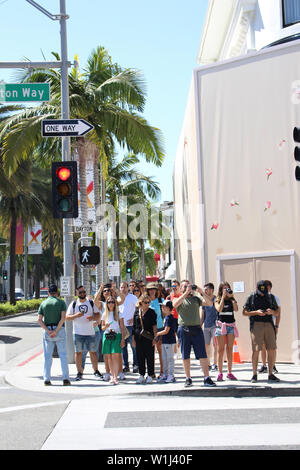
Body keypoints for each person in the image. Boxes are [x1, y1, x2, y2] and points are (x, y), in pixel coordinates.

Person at [172, 281, 216, 387]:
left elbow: (210, 303)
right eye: (185, 286)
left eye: (189, 286)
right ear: (181, 288)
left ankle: (206, 377)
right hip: (184, 329)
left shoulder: (196, 298)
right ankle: (188, 378)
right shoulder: (178, 298)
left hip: (196, 329)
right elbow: (174, 304)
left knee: (202, 354)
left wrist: (201, 292)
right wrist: (185, 293)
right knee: (185, 355)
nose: (188, 288)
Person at [243, 280, 280, 383]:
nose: (262, 293)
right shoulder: (251, 297)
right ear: (257, 288)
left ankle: (270, 373)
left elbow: (277, 312)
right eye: (260, 291)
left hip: (269, 324)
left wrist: (272, 312)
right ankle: (254, 374)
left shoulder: (271, 297)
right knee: (256, 350)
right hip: (256, 325)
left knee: (271, 349)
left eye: (264, 291)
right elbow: (244, 312)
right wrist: (256, 312)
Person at [66, 285, 102, 381]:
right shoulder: (74, 304)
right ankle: (79, 372)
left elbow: (98, 314)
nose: (83, 294)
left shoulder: (90, 302)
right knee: (78, 353)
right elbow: (67, 317)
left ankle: (96, 370)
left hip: (90, 332)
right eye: (80, 292)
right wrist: (76, 315)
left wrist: (93, 318)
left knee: (93, 352)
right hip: (77, 332)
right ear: (77, 294)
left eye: (84, 292)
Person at [37, 284, 70, 386]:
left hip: (48, 331)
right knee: (63, 355)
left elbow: (39, 320)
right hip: (59, 330)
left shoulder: (43, 303)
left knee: (48, 356)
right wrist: (56, 330)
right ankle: (65, 379)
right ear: (57, 293)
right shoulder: (61, 303)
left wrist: (48, 330)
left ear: (48, 293)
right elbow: (63, 318)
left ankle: (46, 379)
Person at [94, 283, 125, 381]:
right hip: (107, 332)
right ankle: (108, 372)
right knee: (107, 355)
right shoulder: (102, 304)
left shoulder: (115, 303)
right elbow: (95, 300)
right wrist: (100, 289)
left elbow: (123, 299)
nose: (107, 292)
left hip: (116, 332)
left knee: (117, 354)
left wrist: (116, 290)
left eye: (108, 290)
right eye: (105, 291)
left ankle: (119, 372)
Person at [214, 282, 239, 381]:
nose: (226, 290)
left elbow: (236, 309)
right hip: (221, 326)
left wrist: (232, 298)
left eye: (227, 288)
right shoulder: (217, 300)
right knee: (220, 350)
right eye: (224, 289)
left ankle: (229, 372)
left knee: (229, 349)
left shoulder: (231, 300)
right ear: (220, 290)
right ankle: (220, 373)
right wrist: (223, 297)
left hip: (230, 326)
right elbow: (219, 309)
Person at [132, 294, 157, 384]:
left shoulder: (152, 312)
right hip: (139, 338)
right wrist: (133, 338)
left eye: (148, 302)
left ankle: (150, 374)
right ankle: (141, 375)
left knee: (150, 356)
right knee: (140, 356)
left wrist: (155, 337)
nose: (147, 304)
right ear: (141, 302)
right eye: (145, 302)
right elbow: (134, 326)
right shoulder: (136, 312)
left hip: (149, 337)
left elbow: (154, 326)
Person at [101, 296, 126, 385]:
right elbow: (102, 327)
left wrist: (123, 339)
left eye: (112, 302)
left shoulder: (119, 313)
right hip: (107, 335)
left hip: (117, 334)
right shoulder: (105, 314)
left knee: (115, 355)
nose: (111, 304)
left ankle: (115, 377)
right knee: (109, 357)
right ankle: (112, 375)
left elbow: (122, 327)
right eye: (109, 302)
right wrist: (106, 326)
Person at [259, 280, 281, 374]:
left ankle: (273, 365)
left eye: (265, 287)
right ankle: (264, 365)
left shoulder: (274, 298)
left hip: (271, 325)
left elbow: (278, 313)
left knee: (272, 347)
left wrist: (276, 325)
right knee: (263, 346)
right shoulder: (258, 297)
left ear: (269, 287)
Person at [119, 281, 139, 373]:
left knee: (134, 346)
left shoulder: (132, 297)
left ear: (128, 288)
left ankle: (136, 365)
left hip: (131, 326)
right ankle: (125, 365)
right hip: (121, 327)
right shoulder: (118, 299)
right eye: (121, 287)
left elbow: (138, 307)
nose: (123, 289)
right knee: (123, 347)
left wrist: (133, 319)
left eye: (124, 287)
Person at [155, 300, 177, 383]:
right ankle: (165, 374)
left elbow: (166, 330)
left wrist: (157, 333)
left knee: (170, 359)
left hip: (169, 341)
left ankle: (171, 375)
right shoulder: (166, 317)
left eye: (163, 307)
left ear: (168, 308)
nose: (162, 308)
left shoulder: (169, 317)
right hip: (165, 341)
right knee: (164, 359)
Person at [146, 282, 164, 377]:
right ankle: (151, 372)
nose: (152, 291)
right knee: (150, 352)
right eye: (150, 289)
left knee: (160, 351)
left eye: (154, 289)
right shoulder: (145, 301)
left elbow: (165, 313)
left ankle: (162, 371)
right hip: (149, 329)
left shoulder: (161, 300)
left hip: (160, 328)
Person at [200, 282, 218, 371]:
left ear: (212, 290)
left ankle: (215, 364)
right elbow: (203, 315)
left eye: (207, 289)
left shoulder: (216, 299)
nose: (205, 291)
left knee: (216, 345)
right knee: (206, 345)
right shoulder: (204, 301)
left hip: (215, 325)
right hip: (206, 326)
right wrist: (200, 325)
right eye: (204, 289)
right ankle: (208, 364)